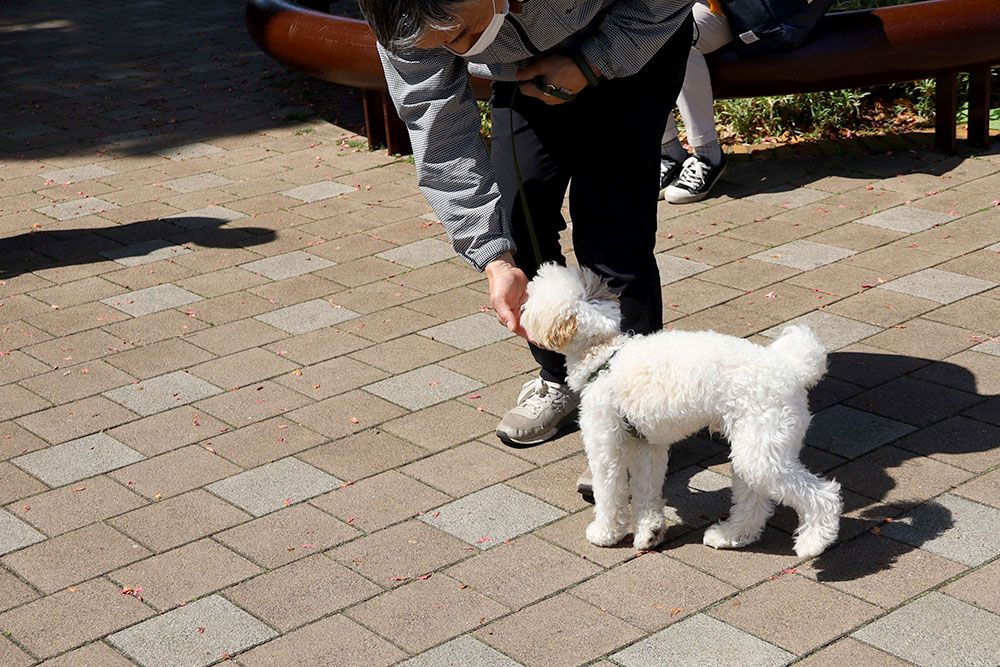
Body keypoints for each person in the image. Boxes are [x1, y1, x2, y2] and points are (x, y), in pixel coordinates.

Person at [358, 0, 694, 494]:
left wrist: (589, 63)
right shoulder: (401, 16)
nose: (461, 52)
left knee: (612, 232)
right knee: (519, 219)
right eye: (443, 45)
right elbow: (438, 129)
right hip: (527, 72)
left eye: (459, 33)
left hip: (636, 34)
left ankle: (634, 415)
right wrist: (493, 256)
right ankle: (561, 377)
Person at [659, 0, 733, 204]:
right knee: (635, 38)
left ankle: (708, 155)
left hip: (727, 10)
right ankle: (669, 153)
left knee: (676, 35)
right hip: (663, 9)